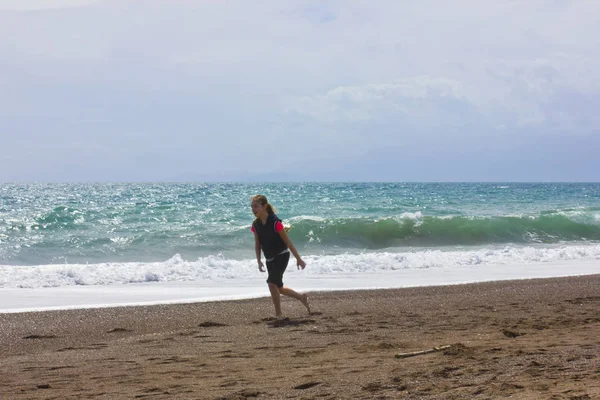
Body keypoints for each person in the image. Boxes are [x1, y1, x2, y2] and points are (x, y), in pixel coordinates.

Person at [250, 194, 311, 319]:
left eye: (256, 206)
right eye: (252, 207)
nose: (253, 209)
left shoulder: (275, 222)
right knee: (279, 288)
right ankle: (301, 297)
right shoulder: (255, 224)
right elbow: (257, 244)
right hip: (269, 258)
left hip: (282, 255)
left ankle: (279, 315)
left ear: (264, 206)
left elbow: (288, 242)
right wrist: (259, 260)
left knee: (271, 283)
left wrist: (299, 259)